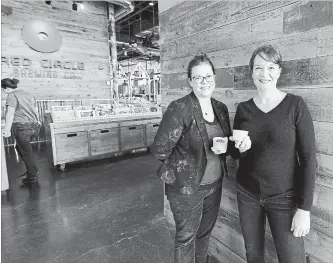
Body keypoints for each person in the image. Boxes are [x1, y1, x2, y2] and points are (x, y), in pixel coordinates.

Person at [150, 54, 251, 263]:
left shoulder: (220, 108)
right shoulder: (180, 108)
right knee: (186, 239)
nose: (204, 82)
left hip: (214, 185)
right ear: (190, 81)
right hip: (186, 189)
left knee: (205, 235)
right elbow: (159, 150)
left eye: (208, 76)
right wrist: (185, 163)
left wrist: (237, 147)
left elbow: (229, 147)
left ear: (214, 77)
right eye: (198, 78)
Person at [232, 45, 316, 263]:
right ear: (252, 73)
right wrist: (238, 149)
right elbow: (235, 151)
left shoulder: (295, 106)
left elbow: (308, 159)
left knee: (293, 259)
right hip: (247, 193)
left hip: (285, 198)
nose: (264, 73)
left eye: (270, 67)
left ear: (279, 71)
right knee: (253, 255)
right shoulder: (243, 109)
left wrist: (304, 209)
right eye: (258, 68)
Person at [1, 78, 41, 184]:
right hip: (34, 126)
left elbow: (10, 113)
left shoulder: (12, 95)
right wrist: (38, 121)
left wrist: (6, 129)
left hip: (22, 127)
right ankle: (30, 170)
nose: (3, 92)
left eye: (3, 90)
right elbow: (35, 110)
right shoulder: (28, 94)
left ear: (7, 88)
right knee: (20, 148)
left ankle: (32, 175)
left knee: (26, 152)